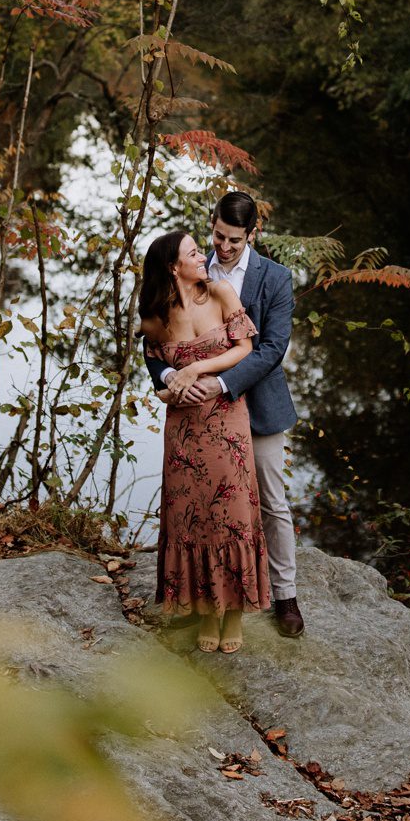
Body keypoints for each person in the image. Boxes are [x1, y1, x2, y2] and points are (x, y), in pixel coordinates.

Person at [147, 192, 305, 638]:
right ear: (211, 224)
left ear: (252, 234)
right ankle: (205, 598)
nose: (224, 246)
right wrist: (170, 376)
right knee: (199, 508)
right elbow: (158, 341)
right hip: (197, 416)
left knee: (271, 504)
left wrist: (222, 383)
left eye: (234, 240)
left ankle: (285, 596)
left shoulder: (275, 278)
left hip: (257, 407)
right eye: (218, 235)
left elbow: (271, 349)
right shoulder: (192, 268)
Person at [139, 229, 271, 653]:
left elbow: (245, 349)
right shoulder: (155, 315)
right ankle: (203, 609)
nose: (204, 256)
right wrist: (168, 385)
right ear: (172, 267)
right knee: (189, 516)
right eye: (193, 253)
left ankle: (233, 611)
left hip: (226, 420)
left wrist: (198, 371)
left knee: (231, 513)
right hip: (184, 428)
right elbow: (154, 364)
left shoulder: (221, 294)